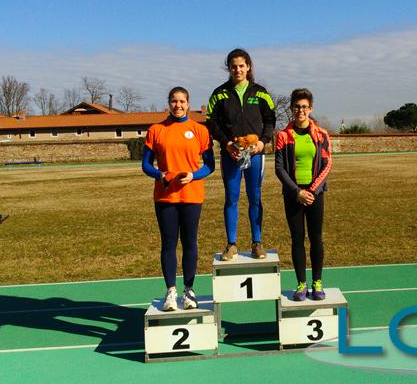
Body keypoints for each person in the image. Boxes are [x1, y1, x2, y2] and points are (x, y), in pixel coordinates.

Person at [142, 87, 215, 311]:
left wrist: (193, 176)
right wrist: (160, 175)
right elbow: (145, 164)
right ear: (169, 103)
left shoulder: (200, 130)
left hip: (192, 195)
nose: (178, 105)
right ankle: (171, 292)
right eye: (174, 101)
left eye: (182, 101)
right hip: (165, 197)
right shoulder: (156, 130)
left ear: (188, 103)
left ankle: (189, 291)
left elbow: (210, 165)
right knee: (169, 243)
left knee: (190, 242)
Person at [206, 48, 276, 261]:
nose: (238, 70)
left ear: (248, 67)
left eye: (241, 66)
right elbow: (211, 123)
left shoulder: (260, 92)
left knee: (255, 197)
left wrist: (263, 142)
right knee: (231, 198)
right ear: (228, 68)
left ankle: (257, 243)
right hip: (231, 155)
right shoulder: (219, 93)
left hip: (255, 155)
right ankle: (231, 244)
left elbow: (270, 121)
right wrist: (226, 143)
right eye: (233, 66)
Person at [275, 88, 332, 301]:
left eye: (304, 107)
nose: (301, 110)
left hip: (315, 194)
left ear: (311, 109)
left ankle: (317, 282)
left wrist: (312, 191)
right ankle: (301, 284)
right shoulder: (283, 135)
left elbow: (327, 164)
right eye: (297, 107)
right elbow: (279, 168)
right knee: (297, 239)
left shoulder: (321, 135)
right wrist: (297, 192)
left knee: (316, 237)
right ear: (292, 109)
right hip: (293, 194)